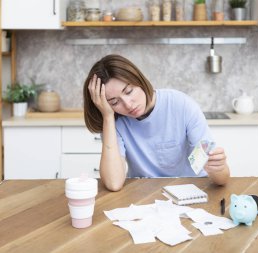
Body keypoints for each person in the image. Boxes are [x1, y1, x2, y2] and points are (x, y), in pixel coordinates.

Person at [83, 54, 230, 191]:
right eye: (114, 102)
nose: (128, 104)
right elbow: (113, 183)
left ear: (139, 80)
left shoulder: (181, 105)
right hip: (144, 194)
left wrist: (219, 168)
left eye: (129, 91)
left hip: (190, 190)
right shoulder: (114, 120)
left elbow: (221, 179)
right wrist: (107, 117)